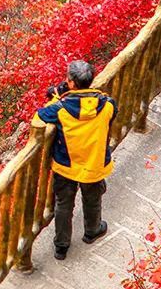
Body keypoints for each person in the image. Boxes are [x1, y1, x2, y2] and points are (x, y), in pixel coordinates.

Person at [31, 60, 117, 260]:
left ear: (70, 82)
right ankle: (92, 230)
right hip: (95, 163)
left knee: (63, 205)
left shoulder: (60, 108)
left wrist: (56, 97)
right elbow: (110, 116)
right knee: (93, 199)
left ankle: (61, 246)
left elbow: (40, 116)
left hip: (67, 165)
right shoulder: (107, 105)